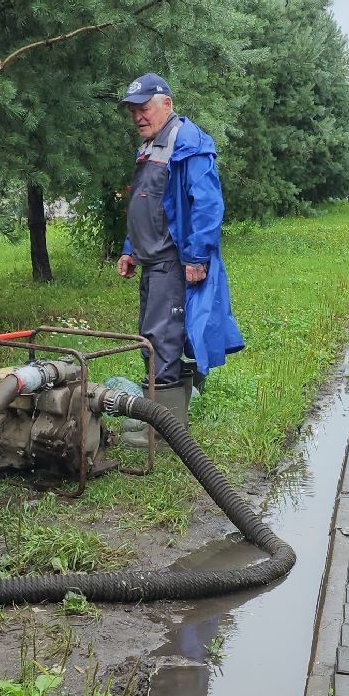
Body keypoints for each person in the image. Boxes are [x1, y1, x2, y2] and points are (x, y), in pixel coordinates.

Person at [115, 73, 243, 447]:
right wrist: (129, 248)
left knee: (159, 341)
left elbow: (207, 204)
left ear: (167, 104)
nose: (138, 116)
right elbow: (146, 202)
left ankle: (162, 434)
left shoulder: (187, 143)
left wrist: (197, 256)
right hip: (151, 260)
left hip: (173, 262)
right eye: (133, 110)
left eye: (145, 107)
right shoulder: (151, 146)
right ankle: (169, 425)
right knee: (156, 337)